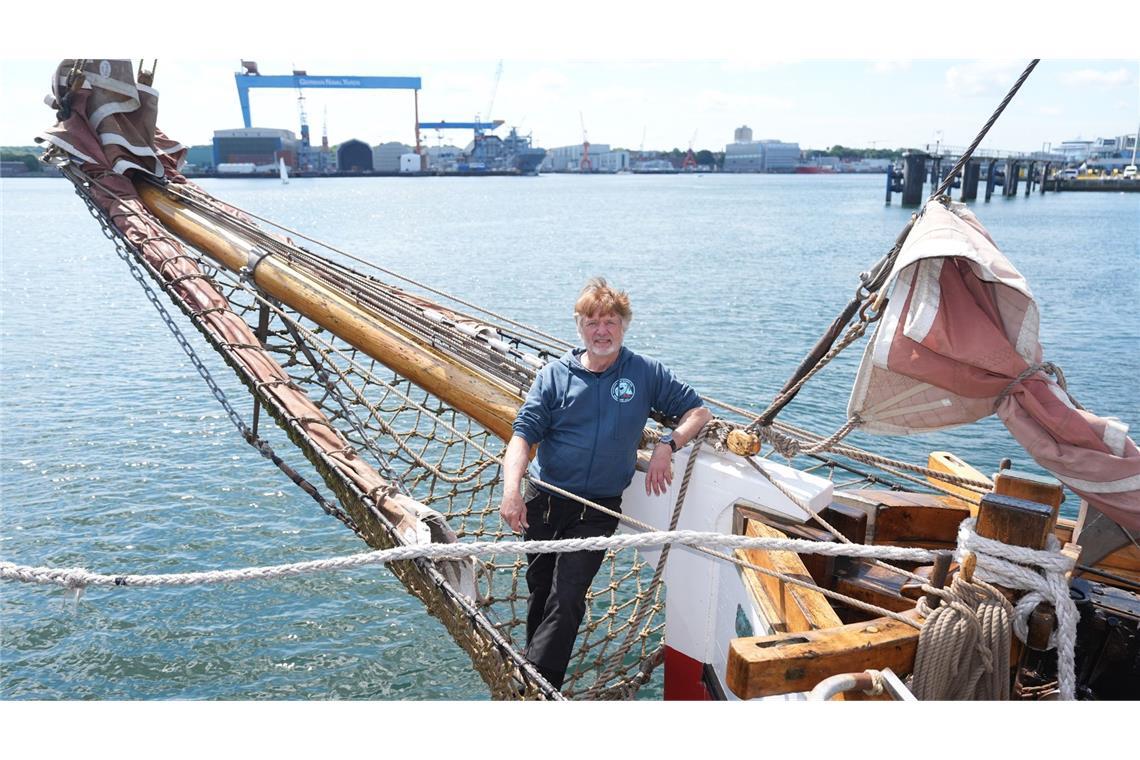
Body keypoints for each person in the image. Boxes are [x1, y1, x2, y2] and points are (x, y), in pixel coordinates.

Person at [498, 277, 711, 690]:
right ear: (579, 327)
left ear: (624, 326)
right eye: (592, 321)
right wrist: (511, 491)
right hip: (545, 499)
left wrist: (669, 443)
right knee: (541, 592)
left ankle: (535, 688)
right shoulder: (554, 377)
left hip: (596, 509)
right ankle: (533, 668)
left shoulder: (644, 373)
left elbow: (697, 412)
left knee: (568, 596)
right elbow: (522, 436)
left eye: (610, 321)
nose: (602, 331)